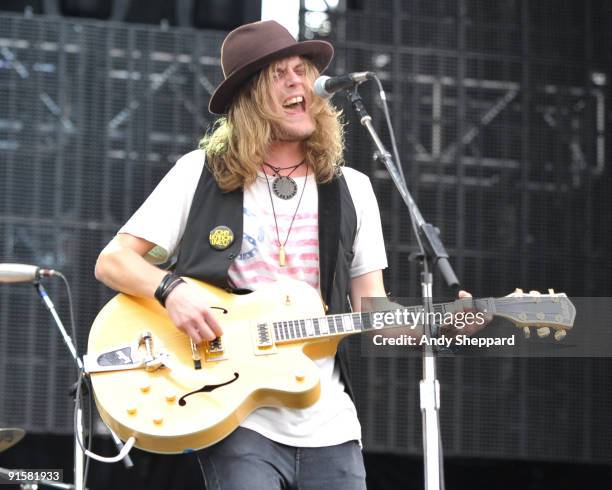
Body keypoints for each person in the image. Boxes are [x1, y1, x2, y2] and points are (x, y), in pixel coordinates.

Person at [95, 19, 472, 489]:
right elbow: (112, 261)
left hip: (330, 423)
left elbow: (371, 309)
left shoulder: (351, 190)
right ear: (250, 97)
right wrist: (171, 291)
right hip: (236, 415)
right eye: (281, 74)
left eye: (303, 69)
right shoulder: (200, 173)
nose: (301, 82)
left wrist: (437, 326)